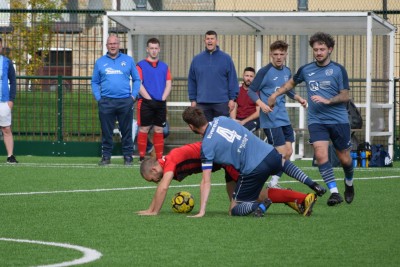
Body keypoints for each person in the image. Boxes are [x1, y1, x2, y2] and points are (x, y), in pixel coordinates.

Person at [181, 107, 326, 218]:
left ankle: (259, 205)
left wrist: (202, 211)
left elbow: (206, 181)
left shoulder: (206, 146)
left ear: (191, 127)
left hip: (253, 169)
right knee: (282, 163)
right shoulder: (222, 119)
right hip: (269, 152)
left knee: (233, 209)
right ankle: (314, 185)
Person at [267, 32, 354, 206]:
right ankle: (334, 193)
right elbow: (290, 84)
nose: (319, 52)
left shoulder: (338, 70)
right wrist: (276, 94)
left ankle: (349, 183)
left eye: (322, 49)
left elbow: (345, 95)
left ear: (330, 49)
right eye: (316, 50)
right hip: (316, 120)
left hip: (339, 120)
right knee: (321, 155)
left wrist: (328, 100)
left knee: (344, 158)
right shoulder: (306, 70)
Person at [138, 142, 317, 217]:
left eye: (152, 178)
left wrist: (154, 212)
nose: (155, 181)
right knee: (237, 203)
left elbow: (162, 188)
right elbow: (160, 186)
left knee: (245, 202)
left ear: (154, 168)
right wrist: (149, 208)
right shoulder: (168, 161)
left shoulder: (171, 159)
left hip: (228, 159)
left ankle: (300, 198)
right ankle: (293, 199)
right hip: (224, 163)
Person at [248, 40, 307, 188]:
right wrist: (261, 105)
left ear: (286, 55)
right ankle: (258, 176)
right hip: (270, 119)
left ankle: (273, 182)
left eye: (281, 54)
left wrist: (298, 98)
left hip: (283, 117)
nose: (278, 57)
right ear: (270, 55)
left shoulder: (287, 71)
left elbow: (287, 90)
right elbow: (251, 91)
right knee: (280, 153)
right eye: (275, 54)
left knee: (288, 152)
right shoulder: (264, 71)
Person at [91, 34, 141, 166]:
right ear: (107, 46)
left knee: (126, 131)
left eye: (115, 43)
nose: (113, 46)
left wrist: (133, 96)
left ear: (119, 45)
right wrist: (99, 98)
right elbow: (95, 82)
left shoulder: (128, 60)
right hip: (106, 102)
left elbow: (137, 79)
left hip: (125, 101)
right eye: (110, 43)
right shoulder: (100, 62)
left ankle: (128, 157)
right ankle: (106, 157)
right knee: (106, 132)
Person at [188, 30, 239, 122]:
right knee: (205, 131)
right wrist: (193, 100)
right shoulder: (196, 59)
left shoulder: (226, 58)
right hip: (202, 103)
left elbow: (232, 79)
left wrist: (232, 99)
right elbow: (192, 81)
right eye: (207, 39)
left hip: (222, 103)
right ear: (204, 41)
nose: (210, 41)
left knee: (222, 130)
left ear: (216, 41)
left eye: (212, 39)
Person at [136, 38, 172, 162]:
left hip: (160, 103)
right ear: (147, 49)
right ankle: (141, 157)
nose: (154, 51)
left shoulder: (164, 66)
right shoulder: (140, 65)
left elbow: (168, 84)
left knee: (159, 129)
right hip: (145, 102)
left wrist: (162, 98)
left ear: (159, 49)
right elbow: (138, 84)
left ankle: (159, 157)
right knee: (144, 129)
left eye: (156, 48)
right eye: (151, 48)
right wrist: (149, 98)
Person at [0, 37, 18, 164]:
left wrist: (11, 100)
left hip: (3, 101)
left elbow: (13, 81)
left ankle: (10, 156)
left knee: (6, 129)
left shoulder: (6, 62)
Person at [230, 67, 260, 132]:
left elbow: (258, 113)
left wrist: (244, 121)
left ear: (254, 78)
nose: (248, 78)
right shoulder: (237, 89)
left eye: (251, 76)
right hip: (238, 119)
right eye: (247, 76)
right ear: (243, 76)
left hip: (252, 120)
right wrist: (233, 121)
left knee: (243, 132)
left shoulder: (257, 91)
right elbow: (234, 105)